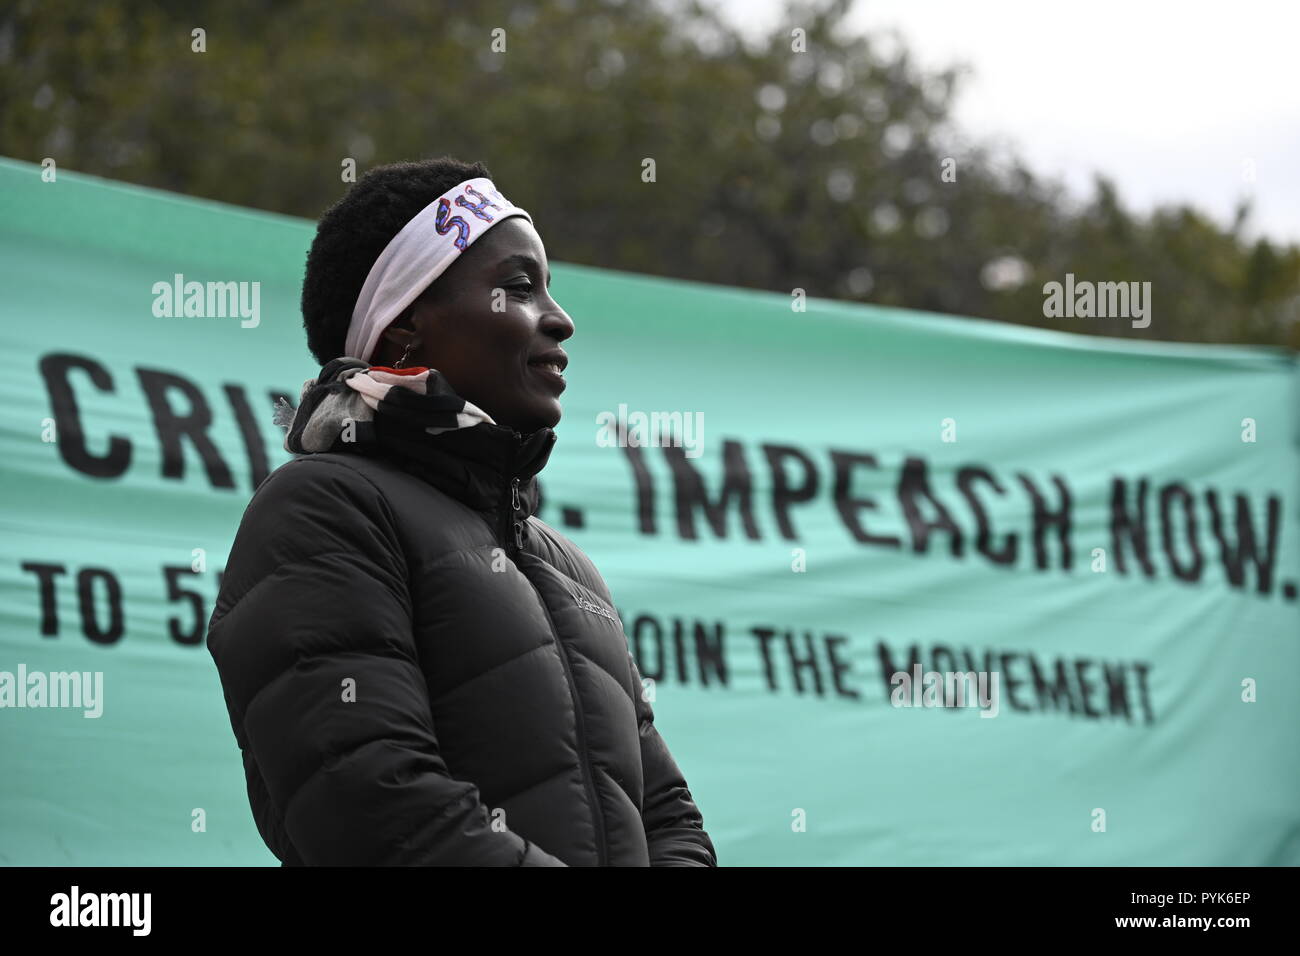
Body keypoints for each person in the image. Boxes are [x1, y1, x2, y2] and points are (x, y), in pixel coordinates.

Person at [205, 156, 716, 867]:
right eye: (519, 287)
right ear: (406, 322)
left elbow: (668, 819)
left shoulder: (573, 570)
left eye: (550, 289)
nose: (560, 320)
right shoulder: (322, 508)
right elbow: (372, 806)